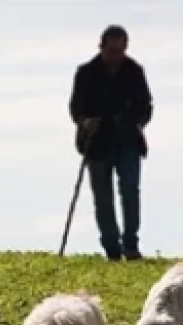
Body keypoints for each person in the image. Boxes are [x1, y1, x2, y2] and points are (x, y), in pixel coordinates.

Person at [68, 25, 153, 261]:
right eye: (112, 50)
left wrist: (138, 122)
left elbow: (146, 105)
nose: (116, 55)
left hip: (128, 142)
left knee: (129, 191)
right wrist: (85, 123)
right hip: (96, 145)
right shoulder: (85, 72)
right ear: (102, 47)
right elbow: (75, 108)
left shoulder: (134, 71)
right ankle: (111, 248)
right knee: (103, 198)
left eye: (121, 50)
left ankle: (131, 246)